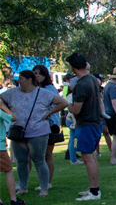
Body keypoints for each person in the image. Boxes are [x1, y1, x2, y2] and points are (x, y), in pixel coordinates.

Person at [2, 70, 68, 198]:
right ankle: (23, 187)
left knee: (39, 160)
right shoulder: (12, 93)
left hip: (38, 131)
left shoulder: (43, 93)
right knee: (21, 161)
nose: (18, 81)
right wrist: (6, 110)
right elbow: (1, 100)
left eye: (21, 78)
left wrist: (49, 113)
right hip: (18, 131)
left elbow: (63, 103)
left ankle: (44, 188)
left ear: (29, 80)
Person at [66, 54, 104, 200]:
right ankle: (94, 188)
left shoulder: (81, 84)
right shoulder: (93, 80)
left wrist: (66, 105)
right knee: (91, 156)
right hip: (94, 122)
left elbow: (76, 110)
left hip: (86, 124)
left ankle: (94, 192)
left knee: (87, 157)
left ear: (73, 67)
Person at [32, 65, 61, 185]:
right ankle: (44, 181)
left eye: (39, 73)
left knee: (47, 154)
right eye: (34, 73)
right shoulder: (35, 89)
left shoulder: (49, 89)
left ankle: (47, 182)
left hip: (49, 125)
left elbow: (56, 105)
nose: (36, 75)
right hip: (38, 125)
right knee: (40, 155)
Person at [0, 95, 23, 205]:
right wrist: (2, 106)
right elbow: (13, 118)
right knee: (8, 171)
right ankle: (13, 199)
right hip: (0, 147)